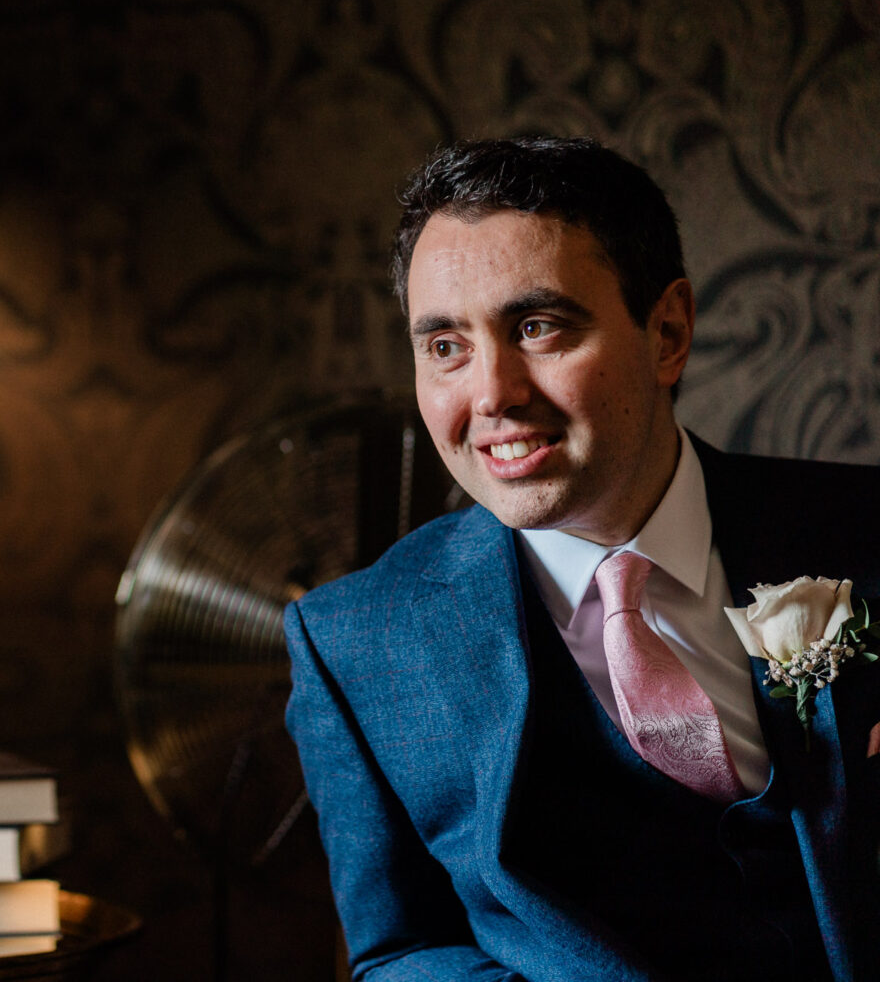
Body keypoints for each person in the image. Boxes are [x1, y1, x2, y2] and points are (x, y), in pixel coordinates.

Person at [285, 136, 880, 981]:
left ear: (667, 331)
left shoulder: (864, 529)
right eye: (446, 346)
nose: (492, 395)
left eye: (537, 326)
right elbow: (402, 949)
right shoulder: (353, 643)